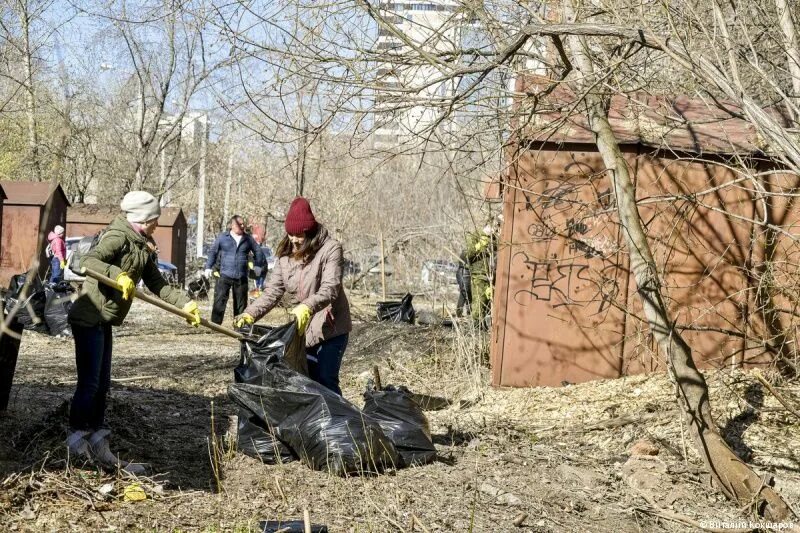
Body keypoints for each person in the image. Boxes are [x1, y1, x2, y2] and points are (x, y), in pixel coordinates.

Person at [66, 191, 202, 473]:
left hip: (105, 319)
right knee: (90, 383)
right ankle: (76, 440)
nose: (157, 224)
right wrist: (119, 276)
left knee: (103, 384)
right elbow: (88, 262)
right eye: (154, 220)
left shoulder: (141, 244)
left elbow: (157, 283)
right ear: (143, 218)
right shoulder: (118, 236)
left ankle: (98, 441)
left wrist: (186, 304)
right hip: (89, 317)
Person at [234, 197, 352, 395]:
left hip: (331, 327)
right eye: (291, 234)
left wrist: (307, 306)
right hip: (302, 330)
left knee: (325, 379)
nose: (295, 240)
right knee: (305, 381)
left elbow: (331, 288)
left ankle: (338, 424)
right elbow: (272, 292)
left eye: (299, 235)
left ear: (310, 231)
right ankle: (311, 424)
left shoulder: (330, 249)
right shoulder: (285, 256)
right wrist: (250, 314)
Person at [204, 215, 265, 325]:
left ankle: (239, 325)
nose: (243, 226)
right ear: (232, 225)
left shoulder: (248, 239)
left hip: (241, 277)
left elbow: (258, 251)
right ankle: (215, 325)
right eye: (240, 224)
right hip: (224, 275)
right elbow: (213, 252)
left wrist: (258, 265)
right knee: (219, 301)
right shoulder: (223, 238)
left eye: (243, 224)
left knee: (241, 304)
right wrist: (208, 267)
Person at [465, 221, 498, 325]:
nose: (494, 231)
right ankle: (476, 326)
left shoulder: (494, 239)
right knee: (479, 302)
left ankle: (483, 326)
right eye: (494, 228)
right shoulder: (474, 235)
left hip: (491, 275)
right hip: (478, 273)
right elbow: (467, 254)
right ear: (488, 225)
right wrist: (478, 246)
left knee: (487, 303)